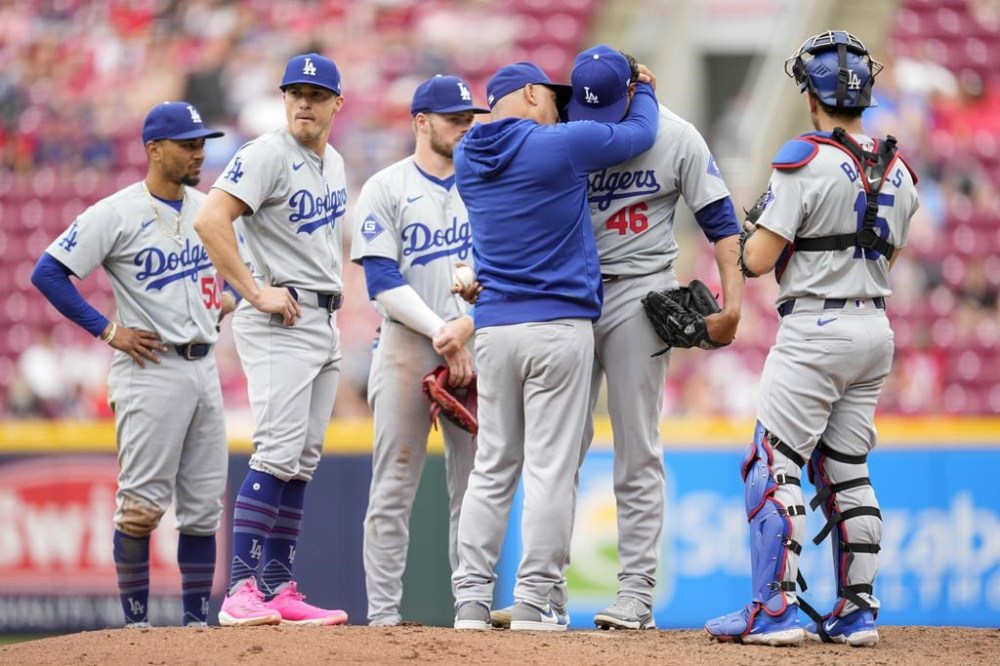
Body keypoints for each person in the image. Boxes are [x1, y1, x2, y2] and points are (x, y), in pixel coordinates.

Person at [704, 30, 919, 647]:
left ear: (811, 95)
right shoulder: (899, 169)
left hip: (815, 329)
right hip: (874, 326)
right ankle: (858, 612)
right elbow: (891, 255)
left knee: (773, 463)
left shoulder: (802, 157)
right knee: (848, 469)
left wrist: (750, 239)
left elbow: (757, 259)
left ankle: (776, 610)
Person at [449, 61, 658, 632]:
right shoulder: (559, 144)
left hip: (493, 328)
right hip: (558, 325)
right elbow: (640, 134)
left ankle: (469, 599)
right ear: (533, 93)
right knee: (548, 469)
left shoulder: (466, 155)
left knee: (492, 467)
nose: (560, 109)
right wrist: (644, 91)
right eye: (552, 99)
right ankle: (536, 598)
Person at [30, 101, 230, 628]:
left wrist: (228, 295)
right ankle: (136, 629)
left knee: (204, 509)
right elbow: (48, 272)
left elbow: (230, 271)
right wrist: (108, 329)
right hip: (151, 367)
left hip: (203, 364)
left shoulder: (208, 207)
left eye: (201, 142)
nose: (198, 152)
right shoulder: (115, 212)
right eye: (187, 144)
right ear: (153, 149)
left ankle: (194, 627)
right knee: (141, 506)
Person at [569, 45, 744, 630]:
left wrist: (734, 305)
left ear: (631, 90)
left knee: (636, 446)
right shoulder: (562, 126)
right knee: (555, 448)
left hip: (638, 290)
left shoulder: (676, 135)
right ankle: (540, 590)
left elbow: (722, 224)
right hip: (567, 292)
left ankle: (637, 594)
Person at [192, 52, 350, 626]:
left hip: (322, 318)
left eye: (315, 94)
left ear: (337, 103)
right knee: (278, 451)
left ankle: (279, 586)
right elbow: (211, 220)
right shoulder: (265, 153)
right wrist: (254, 292)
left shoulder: (333, 161)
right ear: (284, 99)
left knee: (301, 461)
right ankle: (240, 591)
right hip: (281, 317)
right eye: (295, 93)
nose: (303, 103)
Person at [351, 74, 489, 627]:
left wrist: (468, 326)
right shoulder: (386, 187)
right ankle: (383, 619)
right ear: (420, 122)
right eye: (453, 117)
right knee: (393, 486)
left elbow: (508, 268)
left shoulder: (487, 185)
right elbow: (381, 279)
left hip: (476, 341)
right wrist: (445, 329)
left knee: (476, 487)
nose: (464, 125)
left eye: (468, 118)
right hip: (409, 344)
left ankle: (469, 610)